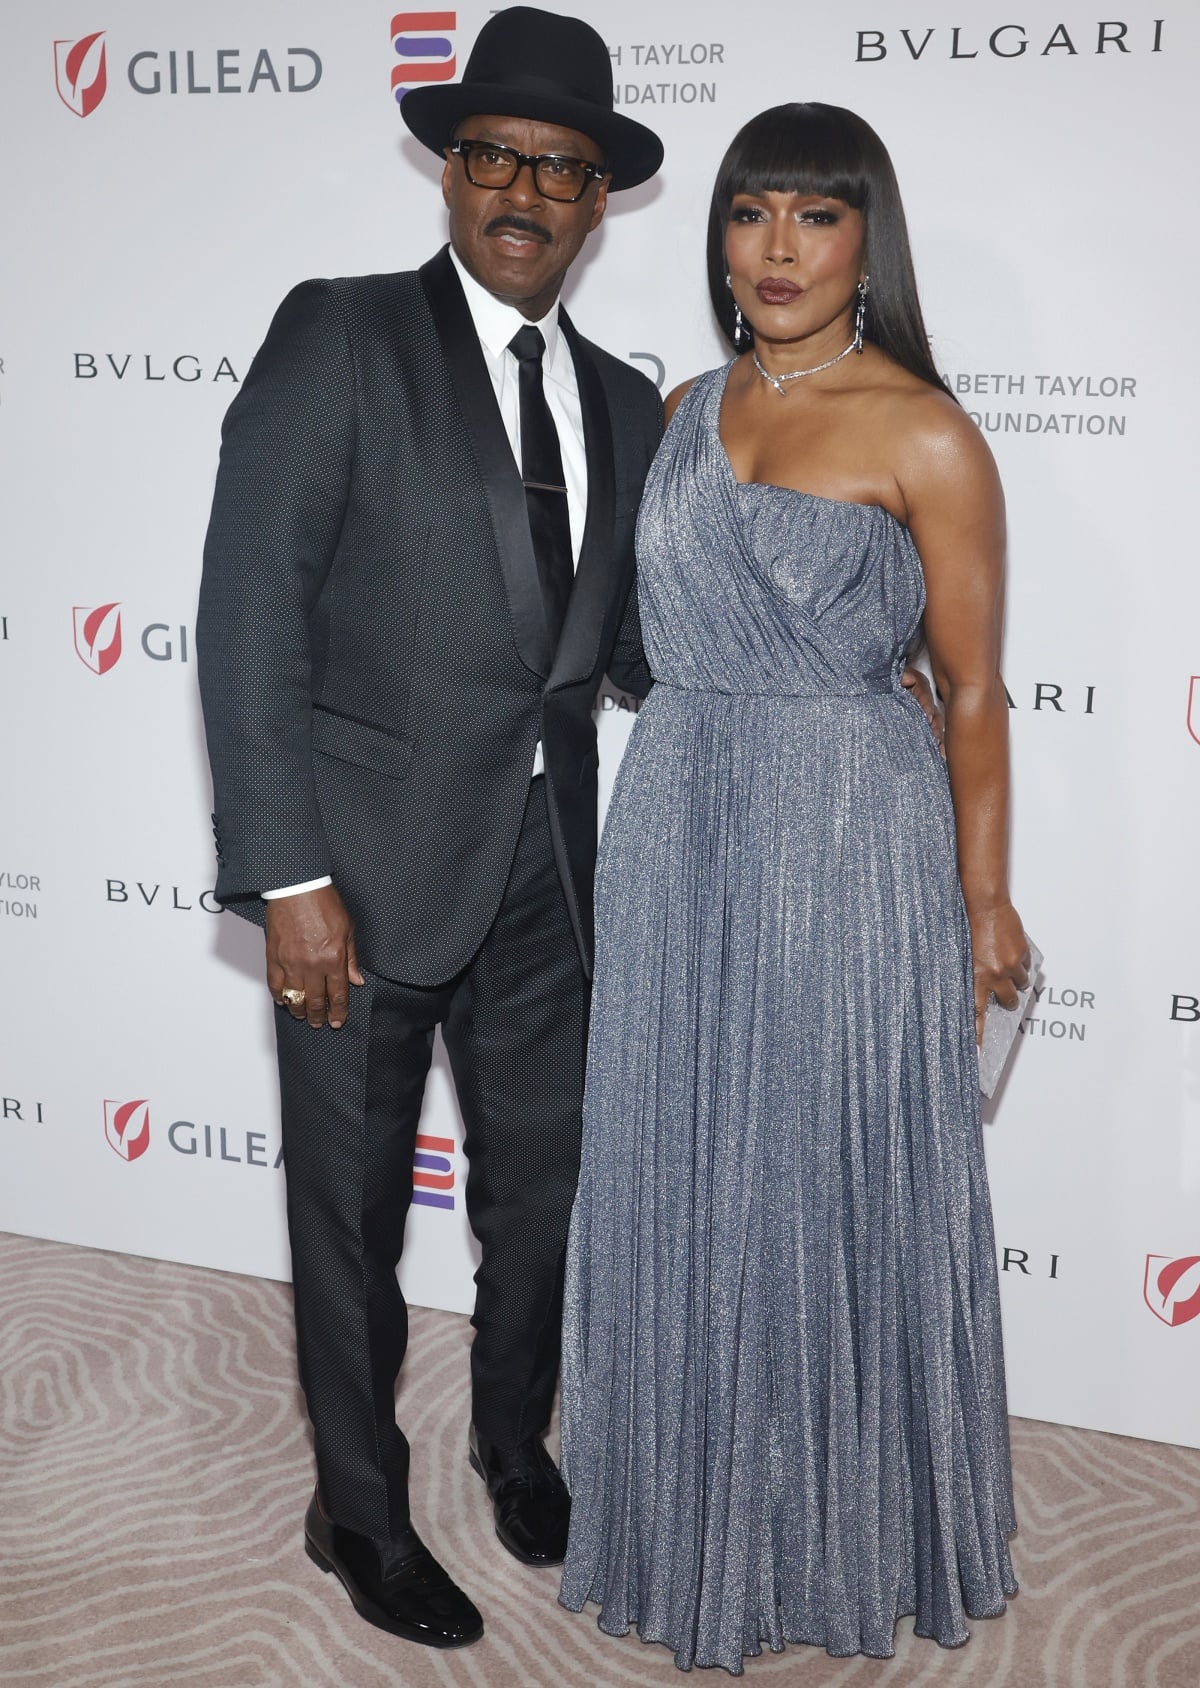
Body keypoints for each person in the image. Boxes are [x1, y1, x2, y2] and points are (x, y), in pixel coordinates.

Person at [195, 7, 666, 1652]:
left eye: (560, 165)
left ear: (602, 197)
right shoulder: (339, 335)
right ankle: (357, 1510)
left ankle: (511, 1443)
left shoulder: (626, 403)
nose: (523, 189)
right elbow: (249, 613)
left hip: (551, 882)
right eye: (493, 157)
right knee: (348, 1214)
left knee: (540, 1201)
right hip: (361, 879)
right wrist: (289, 872)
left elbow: (613, 652)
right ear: (448, 169)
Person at [559, 102, 1030, 1670]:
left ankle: (834, 1533)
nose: (774, 247)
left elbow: (971, 693)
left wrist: (984, 905)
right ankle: (683, 1514)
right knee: (680, 1159)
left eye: (813, 218)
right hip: (683, 806)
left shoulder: (926, 432)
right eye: (749, 211)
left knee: (823, 1176)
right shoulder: (684, 404)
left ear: (864, 240)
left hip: (848, 834)